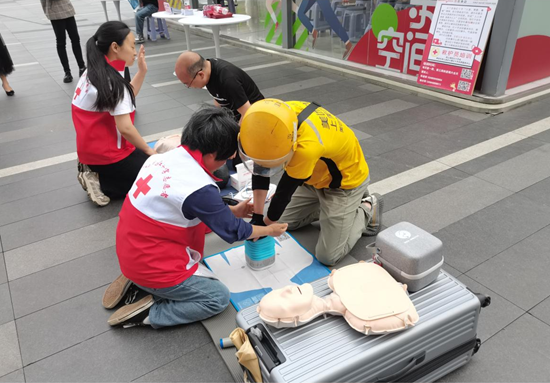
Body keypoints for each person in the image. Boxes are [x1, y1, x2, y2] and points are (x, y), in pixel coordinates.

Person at [102, 107, 288, 328]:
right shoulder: (198, 188)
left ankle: (138, 279)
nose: (227, 161)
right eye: (227, 157)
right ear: (211, 155)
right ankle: (150, 311)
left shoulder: (161, 158)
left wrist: (233, 211)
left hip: (132, 246)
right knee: (217, 298)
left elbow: (190, 208)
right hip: (152, 263)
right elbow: (236, 231)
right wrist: (270, 230)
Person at [238, 99, 383, 266]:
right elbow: (260, 171)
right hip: (314, 177)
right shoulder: (275, 117)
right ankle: (332, 212)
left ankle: (367, 208)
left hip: (344, 184)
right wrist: (258, 218)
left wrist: (265, 227)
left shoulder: (306, 147)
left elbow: (284, 192)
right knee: (282, 222)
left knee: (328, 256)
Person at [72, 21, 155, 207]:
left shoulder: (92, 74)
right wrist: (149, 151)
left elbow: (122, 101)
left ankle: (92, 170)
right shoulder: (112, 81)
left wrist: (142, 71)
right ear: (115, 47)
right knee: (154, 177)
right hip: (109, 155)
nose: (135, 51)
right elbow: (125, 128)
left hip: (92, 151)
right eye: (132, 46)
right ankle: (102, 182)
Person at [174, 51, 264, 124]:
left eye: (188, 84)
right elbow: (218, 99)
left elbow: (247, 113)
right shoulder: (208, 70)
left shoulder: (228, 80)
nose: (190, 87)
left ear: (200, 75)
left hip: (256, 118)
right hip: (235, 116)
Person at [40, 0, 86, 83]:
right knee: (61, 43)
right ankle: (67, 72)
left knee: (75, 39)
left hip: (67, 10)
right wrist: (47, 11)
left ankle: (82, 67)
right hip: (55, 13)